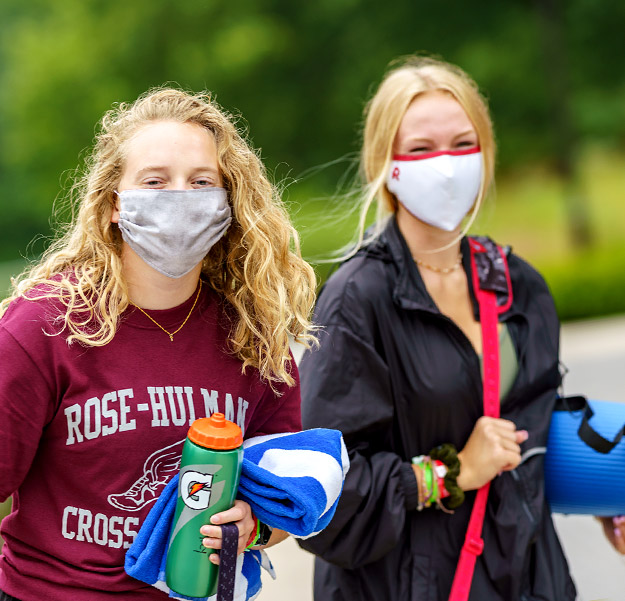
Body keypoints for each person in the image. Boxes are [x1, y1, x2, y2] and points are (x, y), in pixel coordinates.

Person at [0, 87, 316, 600]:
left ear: (226, 206)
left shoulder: (254, 332)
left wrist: (252, 527)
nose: (179, 198)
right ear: (113, 207)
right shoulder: (44, 326)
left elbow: (282, 504)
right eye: (155, 181)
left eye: (201, 183)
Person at [297, 56, 578, 600]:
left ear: (487, 151)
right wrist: (450, 473)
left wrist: (605, 494)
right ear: (387, 164)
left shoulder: (520, 285)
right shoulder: (356, 300)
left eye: (462, 144)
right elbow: (324, 493)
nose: (446, 166)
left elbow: (534, 431)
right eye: (421, 149)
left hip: (526, 578)